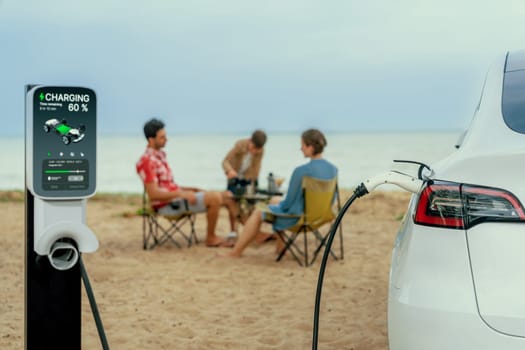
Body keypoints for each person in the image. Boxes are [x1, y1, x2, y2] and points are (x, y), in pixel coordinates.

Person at [225, 128, 337, 258]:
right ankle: (280, 248)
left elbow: (288, 204)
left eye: (302, 145)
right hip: (322, 216)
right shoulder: (333, 170)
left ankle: (235, 252)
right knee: (274, 201)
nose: (301, 148)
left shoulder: (301, 171)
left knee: (259, 211)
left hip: (299, 219)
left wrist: (274, 206)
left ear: (310, 147)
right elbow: (331, 199)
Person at [136, 118, 233, 247]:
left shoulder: (160, 157)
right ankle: (211, 238)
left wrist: (192, 189)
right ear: (150, 139)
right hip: (168, 206)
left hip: (176, 199)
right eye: (162, 137)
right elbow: (154, 194)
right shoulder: (147, 161)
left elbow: (168, 186)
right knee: (214, 197)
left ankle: (235, 235)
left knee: (228, 196)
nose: (166, 139)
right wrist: (181, 194)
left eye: (165, 136)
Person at [222, 130, 267, 237]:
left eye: (258, 149)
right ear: (250, 141)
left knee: (252, 203)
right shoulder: (240, 145)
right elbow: (225, 161)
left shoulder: (260, 151)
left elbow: (257, 167)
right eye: (253, 148)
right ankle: (233, 231)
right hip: (234, 177)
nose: (255, 151)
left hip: (249, 179)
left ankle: (252, 232)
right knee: (232, 201)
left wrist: (254, 182)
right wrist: (229, 171)